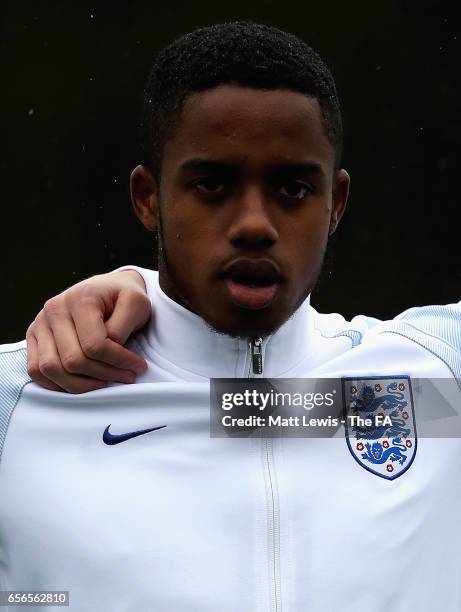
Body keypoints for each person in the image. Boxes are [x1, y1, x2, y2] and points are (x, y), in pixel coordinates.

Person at [1, 21, 460, 612]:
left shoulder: (436, 386)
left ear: (336, 205)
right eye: (213, 184)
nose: (254, 224)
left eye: (292, 189)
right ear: (148, 198)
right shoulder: (25, 401)